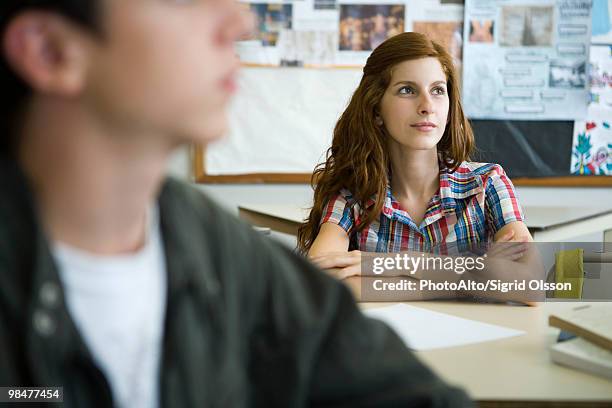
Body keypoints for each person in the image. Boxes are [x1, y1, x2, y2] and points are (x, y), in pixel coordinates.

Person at [0, 1, 472, 407]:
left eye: (438, 90)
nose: (241, 22)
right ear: (51, 51)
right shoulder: (348, 196)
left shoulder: (216, 247)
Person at [298, 32, 541, 302]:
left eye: (437, 90)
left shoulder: (487, 183)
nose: (427, 106)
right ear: (376, 109)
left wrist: (401, 264)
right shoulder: (352, 194)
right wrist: (479, 275)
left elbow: (532, 286)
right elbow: (318, 282)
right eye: (407, 90)